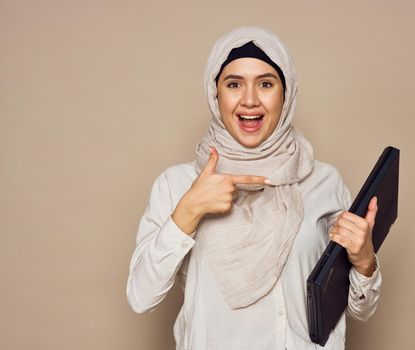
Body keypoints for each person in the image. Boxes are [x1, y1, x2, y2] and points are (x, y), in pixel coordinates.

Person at [126, 26, 382, 350]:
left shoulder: (324, 182)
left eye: (265, 83)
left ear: (285, 94)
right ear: (214, 92)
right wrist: (186, 215)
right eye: (234, 84)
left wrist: (364, 261)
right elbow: (140, 296)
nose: (250, 99)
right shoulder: (177, 185)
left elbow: (360, 308)